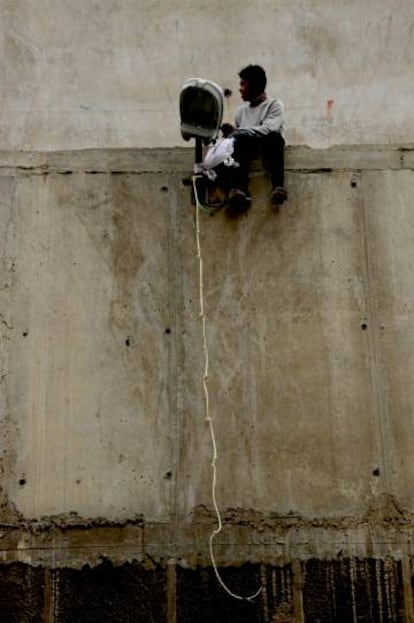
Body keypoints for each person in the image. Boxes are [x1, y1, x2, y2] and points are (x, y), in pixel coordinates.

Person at [221, 65, 287, 208]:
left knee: (274, 137)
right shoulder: (241, 112)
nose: (240, 89)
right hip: (247, 152)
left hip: (268, 149)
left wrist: (238, 130)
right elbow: (238, 138)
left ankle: (278, 187)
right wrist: (231, 133)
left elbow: (268, 129)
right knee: (237, 141)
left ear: (254, 84)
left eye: (243, 84)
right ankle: (240, 189)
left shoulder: (274, 105)